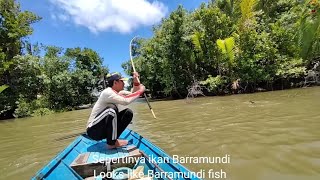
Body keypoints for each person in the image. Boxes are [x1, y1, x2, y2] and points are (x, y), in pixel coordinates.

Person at [86, 72, 145, 149]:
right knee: (111, 110)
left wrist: (136, 82)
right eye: (122, 81)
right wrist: (140, 91)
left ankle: (112, 140)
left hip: (103, 130)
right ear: (115, 82)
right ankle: (111, 143)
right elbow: (126, 101)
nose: (124, 83)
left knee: (128, 113)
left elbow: (133, 95)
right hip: (93, 131)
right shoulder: (107, 92)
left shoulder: (119, 93)